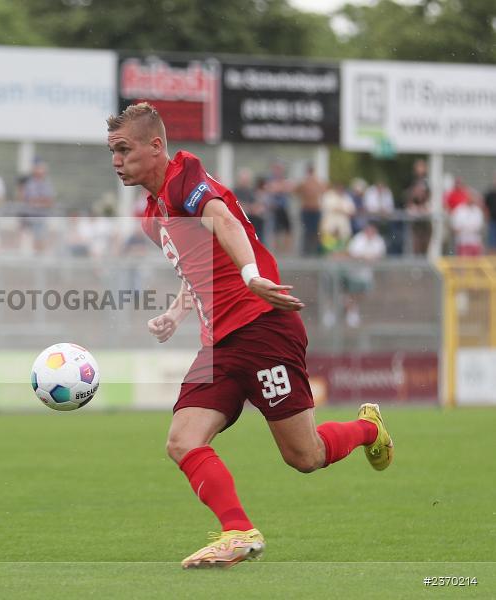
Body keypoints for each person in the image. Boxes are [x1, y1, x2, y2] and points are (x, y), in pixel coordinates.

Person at [106, 103, 393, 569]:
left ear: (156, 146)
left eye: (124, 149)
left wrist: (251, 273)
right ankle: (238, 531)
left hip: (262, 329)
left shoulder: (186, 179)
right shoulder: (152, 216)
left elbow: (224, 221)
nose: (116, 160)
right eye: (112, 151)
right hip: (219, 345)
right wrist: (179, 311)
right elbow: (197, 263)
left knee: (304, 456)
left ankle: (368, 428)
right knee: (182, 440)